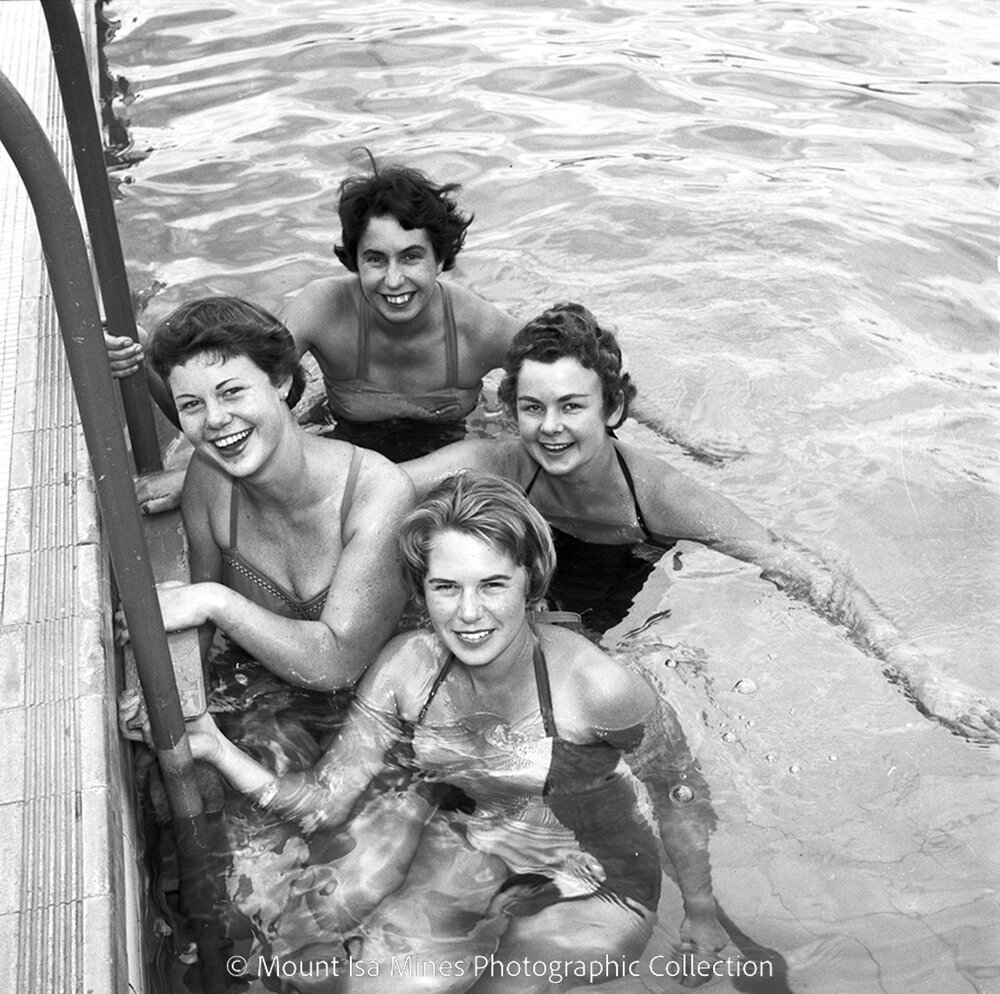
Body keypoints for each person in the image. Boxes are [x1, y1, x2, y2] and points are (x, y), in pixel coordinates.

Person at [159, 473, 728, 991]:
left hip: (596, 876)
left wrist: (700, 913)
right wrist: (215, 746)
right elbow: (326, 802)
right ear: (421, 589)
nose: (468, 613)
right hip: (479, 844)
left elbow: (679, 789)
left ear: (531, 582)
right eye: (446, 587)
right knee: (370, 984)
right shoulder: (407, 668)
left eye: (492, 585)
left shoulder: (599, 688)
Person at [401, 303, 1000, 744]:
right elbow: (384, 482)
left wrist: (921, 673)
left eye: (572, 406)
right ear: (513, 411)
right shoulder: (502, 463)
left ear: (612, 409)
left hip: (617, 571)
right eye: (533, 408)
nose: (550, 427)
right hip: (519, 573)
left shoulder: (658, 496)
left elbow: (800, 568)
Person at [107, 154, 521, 467]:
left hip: (447, 458)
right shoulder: (324, 310)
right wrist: (142, 359)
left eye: (411, 258)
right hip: (344, 449)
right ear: (354, 261)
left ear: (440, 258)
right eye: (375, 260)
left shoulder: (477, 327)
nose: (393, 281)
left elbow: (573, 374)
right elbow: (227, 399)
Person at [121, 296, 414, 703]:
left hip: (389, 709)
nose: (215, 420)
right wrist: (161, 698)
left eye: (232, 392)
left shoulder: (378, 494)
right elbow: (202, 633)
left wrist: (214, 601)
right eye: (191, 405)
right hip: (272, 690)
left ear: (282, 381)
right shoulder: (208, 482)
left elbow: (338, 664)